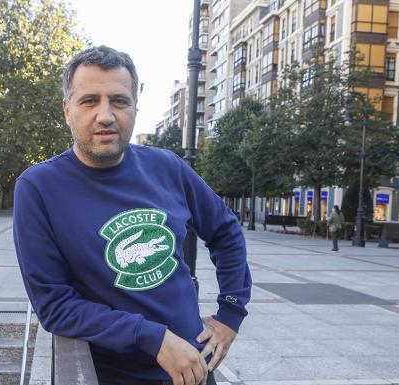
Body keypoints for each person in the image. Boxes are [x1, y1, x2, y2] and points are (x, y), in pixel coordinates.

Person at [13, 46, 251, 385]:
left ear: (135, 108)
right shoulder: (38, 188)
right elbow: (55, 305)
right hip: (116, 376)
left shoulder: (167, 167)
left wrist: (231, 312)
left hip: (196, 371)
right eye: (89, 100)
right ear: (67, 110)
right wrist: (153, 338)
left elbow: (226, 231)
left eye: (119, 101)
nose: (106, 115)